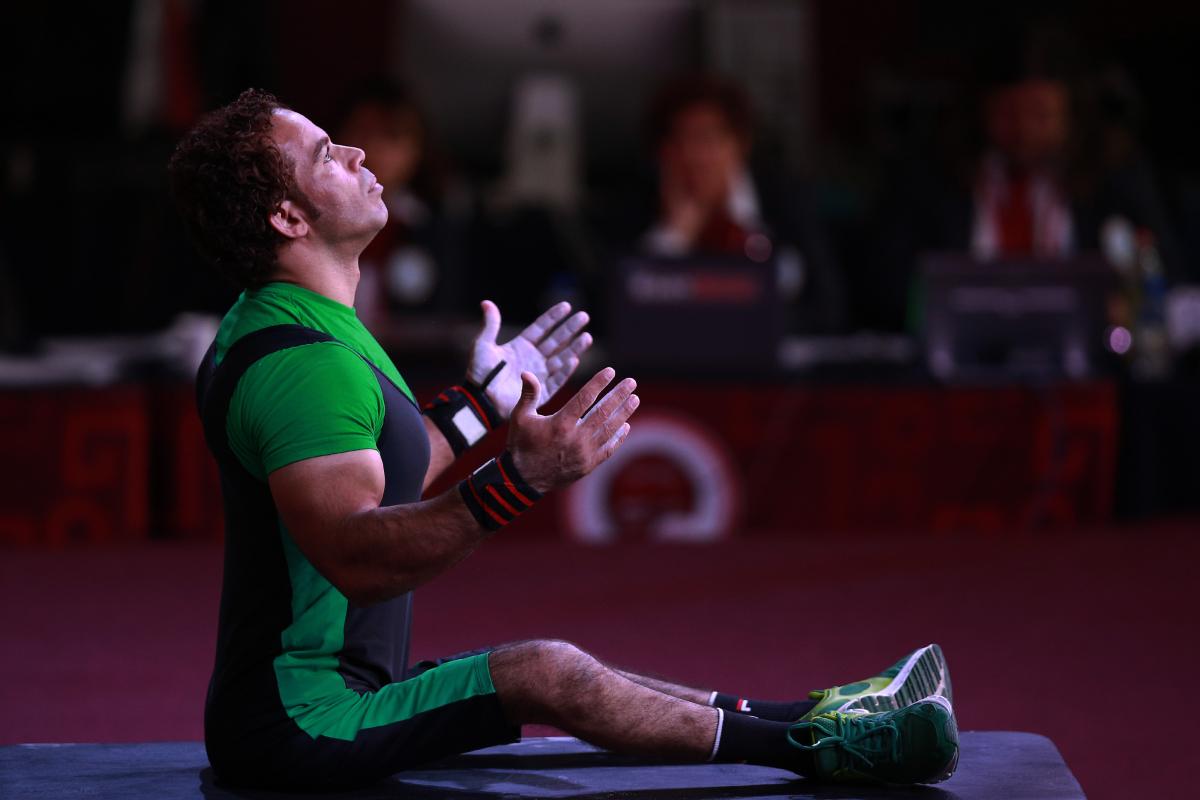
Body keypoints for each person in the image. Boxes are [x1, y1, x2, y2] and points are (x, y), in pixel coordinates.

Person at [168, 89, 958, 791]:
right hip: (300, 725)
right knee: (543, 670)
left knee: (568, 670)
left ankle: (821, 711)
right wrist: (519, 478)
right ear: (287, 216)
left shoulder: (302, 323)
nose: (355, 152)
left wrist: (484, 399)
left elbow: (389, 475)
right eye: (325, 153)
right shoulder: (304, 366)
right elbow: (357, 558)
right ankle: (829, 747)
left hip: (341, 691)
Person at [635, 75, 845, 333]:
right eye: (679, 140)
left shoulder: (783, 200)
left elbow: (827, 308)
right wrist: (673, 237)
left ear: (740, 142)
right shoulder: (638, 206)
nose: (693, 155)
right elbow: (625, 315)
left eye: (706, 137)